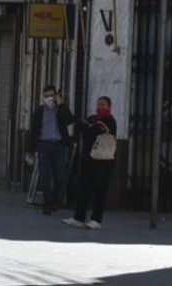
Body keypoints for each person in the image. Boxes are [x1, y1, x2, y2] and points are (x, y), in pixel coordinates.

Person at [66, 96, 118, 230]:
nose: (100, 107)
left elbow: (97, 130)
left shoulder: (109, 121)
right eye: (98, 104)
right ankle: (78, 217)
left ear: (109, 107)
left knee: (100, 190)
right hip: (88, 159)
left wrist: (90, 127)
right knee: (83, 188)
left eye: (103, 104)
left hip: (103, 161)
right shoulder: (93, 118)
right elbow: (81, 126)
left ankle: (96, 219)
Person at [27, 84, 74, 214]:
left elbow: (70, 120)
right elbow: (33, 130)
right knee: (45, 176)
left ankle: (57, 201)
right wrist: (30, 150)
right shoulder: (39, 111)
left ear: (56, 96)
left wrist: (61, 105)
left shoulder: (61, 110)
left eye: (51, 96)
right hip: (44, 145)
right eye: (46, 96)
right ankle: (47, 203)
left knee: (59, 176)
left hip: (59, 146)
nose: (49, 99)